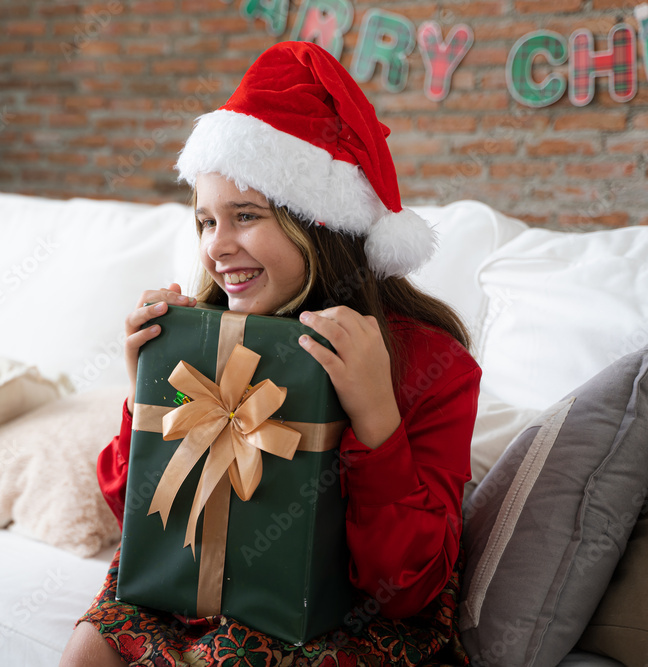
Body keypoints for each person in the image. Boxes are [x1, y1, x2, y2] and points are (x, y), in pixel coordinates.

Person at [61, 41, 481, 667]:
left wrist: (376, 420)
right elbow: (138, 517)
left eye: (246, 216)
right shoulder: (202, 335)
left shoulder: (427, 362)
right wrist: (144, 395)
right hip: (187, 585)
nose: (217, 246)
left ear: (322, 223)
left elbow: (407, 584)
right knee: (88, 649)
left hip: (338, 614)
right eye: (205, 222)